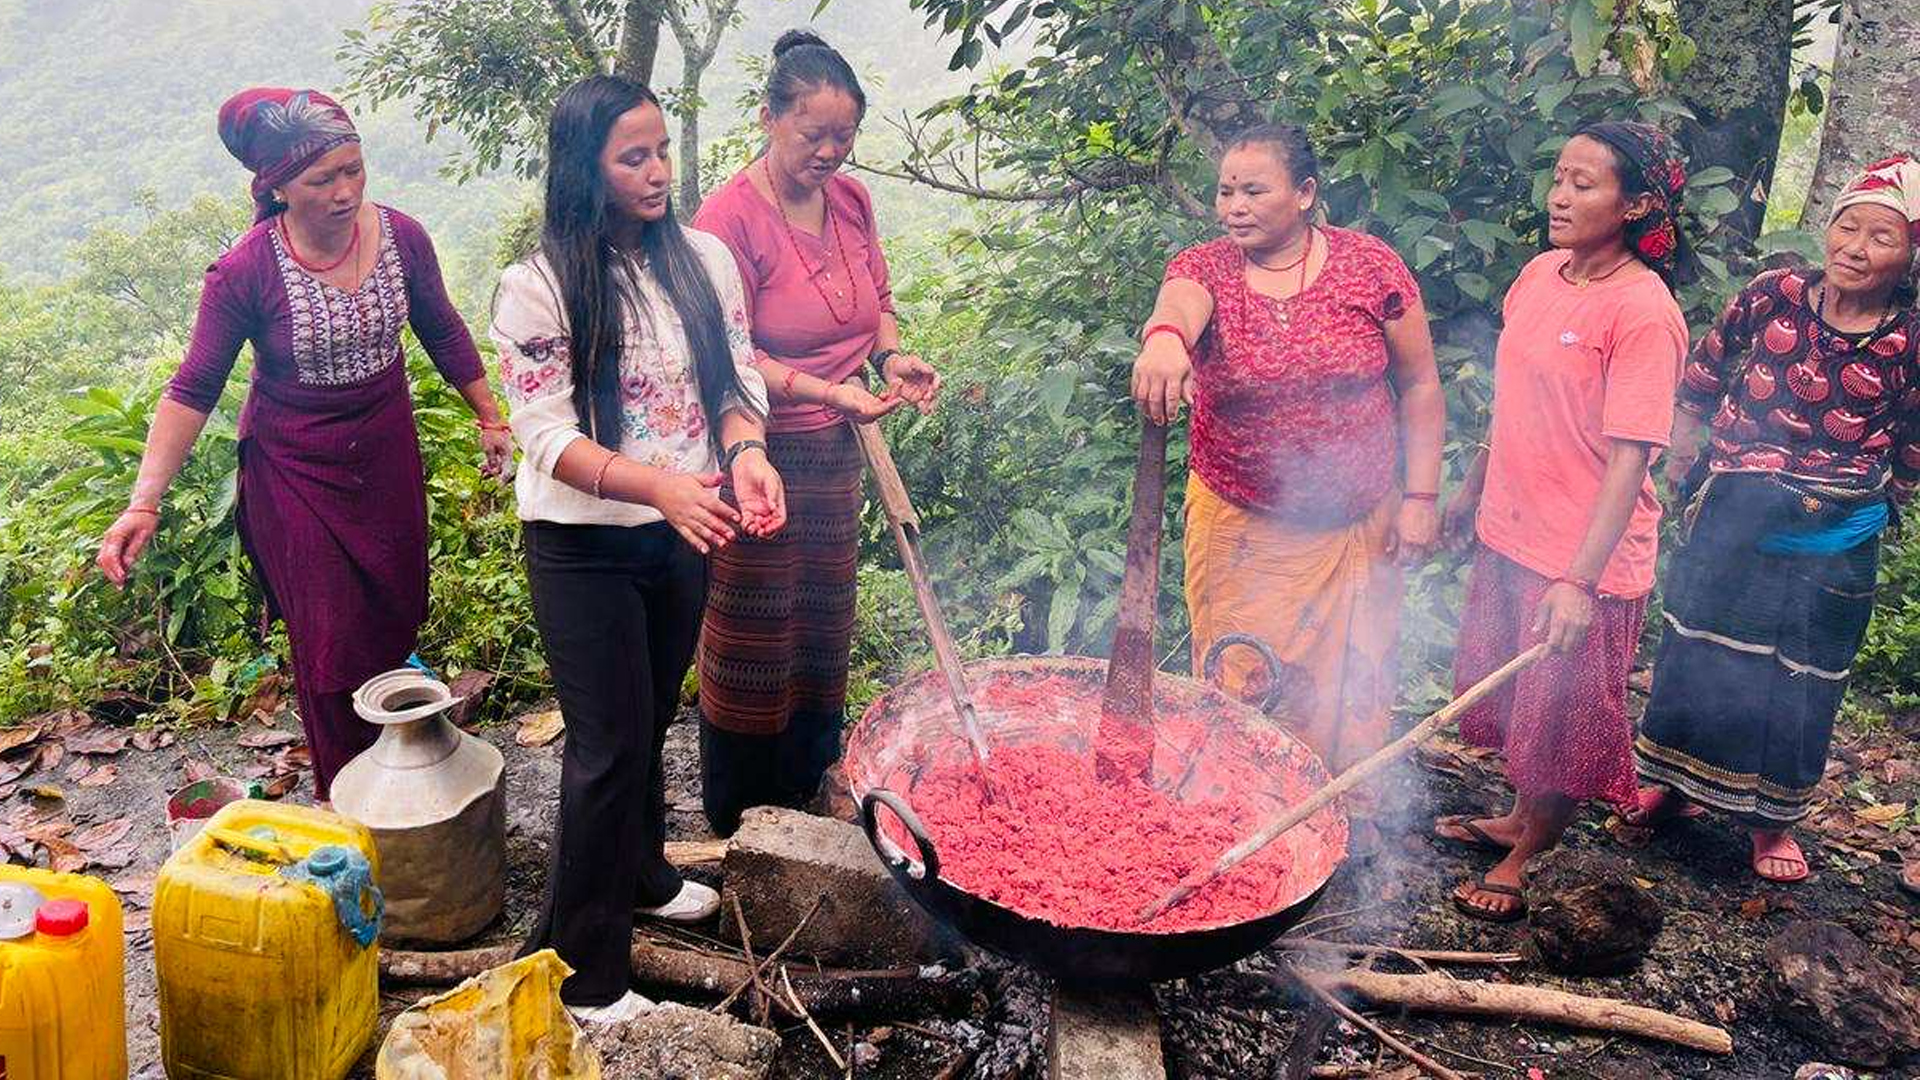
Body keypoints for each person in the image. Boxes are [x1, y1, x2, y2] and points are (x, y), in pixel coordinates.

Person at [93, 88, 510, 803]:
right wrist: (144, 503)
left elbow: (440, 327)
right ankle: (351, 798)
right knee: (328, 641)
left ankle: (407, 765)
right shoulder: (246, 272)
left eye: (355, 169)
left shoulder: (403, 238)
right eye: (323, 179)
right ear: (276, 187)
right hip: (295, 473)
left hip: (384, 454)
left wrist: (490, 416)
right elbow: (193, 387)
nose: (346, 191)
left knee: (393, 608)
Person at [492, 75, 783, 1021]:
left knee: (654, 716)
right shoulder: (535, 286)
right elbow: (543, 433)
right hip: (583, 546)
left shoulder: (703, 260)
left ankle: (647, 873)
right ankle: (586, 974)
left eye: (661, 150)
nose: (659, 171)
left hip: (683, 529)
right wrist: (654, 483)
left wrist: (744, 456)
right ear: (586, 168)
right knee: (608, 747)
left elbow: (733, 383)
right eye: (633, 157)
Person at [1129, 123, 1445, 811]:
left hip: (1363, 519)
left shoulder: (1370, 267)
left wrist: (1421, 496)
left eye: (1253, 190)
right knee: (1245, 679)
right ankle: (1243, 815)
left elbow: (1420, 384)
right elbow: (1178, 307)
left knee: (1352, 686)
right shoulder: (1207, 268)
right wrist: (1162, 342)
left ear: (1304, 194)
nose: (1233, 206)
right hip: (1246, 527)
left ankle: (1339, 822)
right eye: (1224, 191)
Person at [1631, 155, 1920, 884]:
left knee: (1803, 668)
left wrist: (1893, 503)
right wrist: (1680, 460)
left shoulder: (1912, 336)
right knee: (1699, 639)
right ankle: (1671, 785)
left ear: (1911, 254)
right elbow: (1702, 378)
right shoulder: (1772, 296)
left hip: (1839, 522)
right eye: (1846, 226)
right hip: (1736, 501)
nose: (1855, 246)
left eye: (1880, 236)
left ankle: (1770, 824)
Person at [1434, 121, 1692, 921]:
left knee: (1563, 711)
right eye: (1559, 175)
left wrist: (1579, 580)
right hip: (1514, 527)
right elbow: (1512, 406)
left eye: (1586, 183)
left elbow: (1630, 461)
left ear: (1637, 203)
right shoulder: (1541, 275)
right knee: (1519, 697)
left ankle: (1531, 848)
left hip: (1584, 555)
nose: (1560, 194)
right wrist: (1470, 490)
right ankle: (1517, 812)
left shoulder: (1644, 312)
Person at [691, 30, 941, 836]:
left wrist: (893, 358)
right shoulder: (728, 219)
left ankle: (809, 777)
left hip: (839, 446)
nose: (831, 152)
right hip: (756, 442)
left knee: (823, 612)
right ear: (769, 119)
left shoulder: (851, 202)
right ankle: (737, 806)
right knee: (752, 620)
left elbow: (879, 296)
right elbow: (725, 352)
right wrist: (828, 391)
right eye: (813, 137)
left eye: (844, 136)